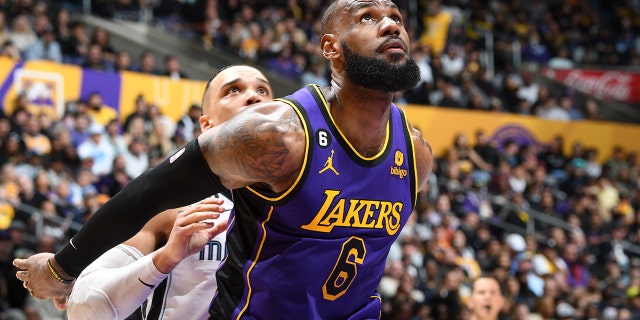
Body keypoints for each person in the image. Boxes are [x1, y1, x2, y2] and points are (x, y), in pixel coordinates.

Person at [14, 1, 434, 318]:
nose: (391, 23)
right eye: (367, 17)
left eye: (396, 16)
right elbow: (148, 196)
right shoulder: (277, 138)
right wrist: (63, 266)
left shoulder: (415, 153)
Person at [65, 65, 273, 319]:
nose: (254, 96)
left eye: (263, 89)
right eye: (233, 90)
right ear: (207, 125)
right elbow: (83, 308)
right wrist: (164, 259)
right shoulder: (175, 205)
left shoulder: (310, 207)